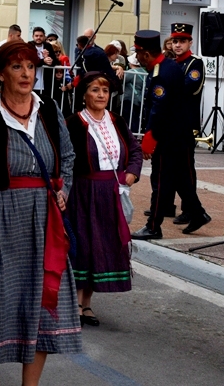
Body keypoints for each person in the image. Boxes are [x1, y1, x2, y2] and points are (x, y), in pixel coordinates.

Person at [0, 41, 81, 383]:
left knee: (40, 303)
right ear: (1, 73)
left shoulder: (49, 111)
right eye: (17, 67)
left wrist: (61, 187)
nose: (26, 74)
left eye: (31, 67)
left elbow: (67, 157)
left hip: (42, 221)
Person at [65, 72, 143, 327]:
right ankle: (75, 303)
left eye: (105, 91)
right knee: (84, 244)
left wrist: (131, 173)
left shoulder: (116, 121)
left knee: (102, 245)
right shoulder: (73, 123)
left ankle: (87, 304)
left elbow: (135, 150)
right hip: (83, 193)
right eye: (95, 90)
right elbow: (63, 157)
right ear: (84, 94)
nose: (101, 96)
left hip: (111, 193)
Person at [132, 30, 209, 239]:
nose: (136, 57)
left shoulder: (161, 72)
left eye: (137, 53)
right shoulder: (169, 66)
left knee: (161, 179)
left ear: (146, 54)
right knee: (181, 178)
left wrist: (150, 136)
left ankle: (153, 226)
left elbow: (159, 107)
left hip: (169, 135)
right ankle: (198, 213)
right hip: (178, 133)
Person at [167, 23, 211, 231]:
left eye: (182, 41)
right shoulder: (173, 63)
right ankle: (194, 210)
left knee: (185, 168)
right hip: (173, 124)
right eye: (175, 41)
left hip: (186, 124)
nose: (178, 45)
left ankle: (191, 209)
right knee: (176, 170)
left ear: (190, 42)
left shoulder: (195, 64)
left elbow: (188, 88)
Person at [30, 26, 56, 95]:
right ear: (33, 36)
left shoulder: (48, 46)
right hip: (32, 78)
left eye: (41, 36)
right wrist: (43, 61)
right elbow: (30, 60)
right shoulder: (29, 45)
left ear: (44, 37)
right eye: (36, 36)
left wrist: (49, 59)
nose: (38, 37)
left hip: (45, 80)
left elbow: (55, 60)